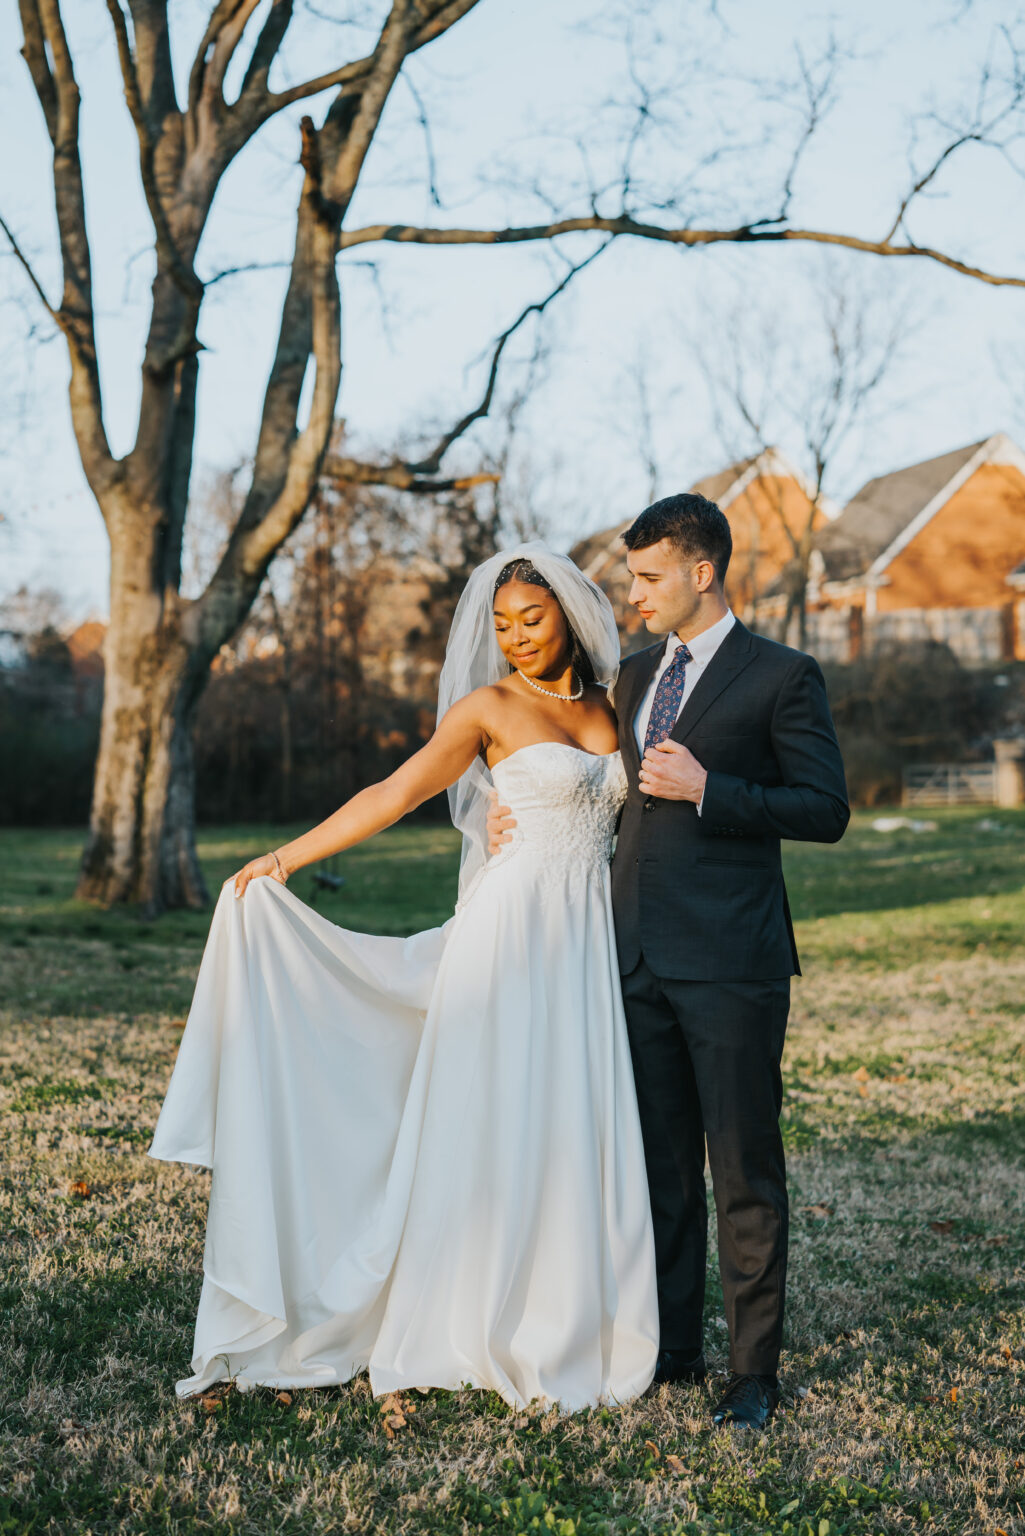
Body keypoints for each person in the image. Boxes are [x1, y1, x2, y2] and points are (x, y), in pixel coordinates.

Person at [148, 545, 659, 1412]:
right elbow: (392, 793)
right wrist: (283, 858)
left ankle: (571, 1311)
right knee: (495, 1112)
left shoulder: (620, 704)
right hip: (511, 932)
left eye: (530, 620)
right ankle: (463, 1310)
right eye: (501, 625)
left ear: (569, 617)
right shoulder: (487, 707)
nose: (516, 638)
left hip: (587, 939)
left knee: (570, 1115)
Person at [490, 495, 850, 1428]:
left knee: (740, 1168)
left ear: (701, 573)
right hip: (630, 955)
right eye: (630, 574)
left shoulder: (782, 676)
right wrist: (507, 815)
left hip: (733, 963)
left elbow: (824, 808)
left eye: (647, 577)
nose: (632, 593)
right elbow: (581, 781)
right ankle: (672, 1348)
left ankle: (752, 1374)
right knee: (654, 1169)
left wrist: (713, 789)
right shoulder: (633, 675)